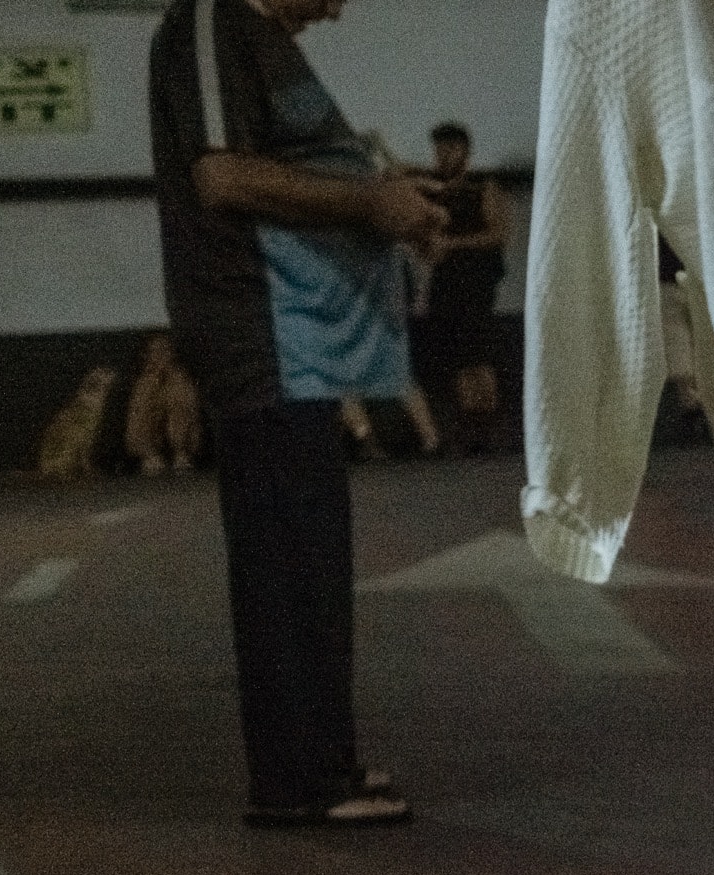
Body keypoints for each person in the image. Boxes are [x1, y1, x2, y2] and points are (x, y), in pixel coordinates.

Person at [148, 0, 444, 826]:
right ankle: (296, 780)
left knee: (310, 554)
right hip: (261, 327)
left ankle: (324, 762)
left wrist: (383, 198)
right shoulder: (211, 19)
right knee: (286, 559)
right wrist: (369, 206)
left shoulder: (258, 38)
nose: (337, 8)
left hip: (299, 342)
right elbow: (223, 175)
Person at [418, 121, 510, 453]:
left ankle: (488, 424)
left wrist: (453, 244)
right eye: (438, 149)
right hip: (445, 284)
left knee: (478, 354)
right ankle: (471, 427)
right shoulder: (436, 192)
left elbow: (498, 233)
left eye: (449, 149)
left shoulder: (483, 187)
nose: (442, 156)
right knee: (456, 356)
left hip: (476, 283)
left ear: (465, 152)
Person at [125, 332, 205, 475]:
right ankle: (150, 454)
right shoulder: (143, 382)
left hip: (181, 446)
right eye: (155, 351)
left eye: (165, 350)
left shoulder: (181, 379)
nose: (160, 355)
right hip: (150, 449)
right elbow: (138, 417)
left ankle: (181, 453)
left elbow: (189, 411)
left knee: (180, 404)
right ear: (147, 355)